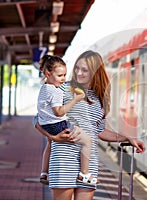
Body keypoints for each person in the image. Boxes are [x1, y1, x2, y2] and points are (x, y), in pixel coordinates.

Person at [34, 50, 145, 200]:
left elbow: (99, 131)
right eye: (77, 68)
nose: (79, 73)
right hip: (63, 159)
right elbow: (38, 119)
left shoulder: (100, 99)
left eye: (84, 70)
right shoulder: (62, 89)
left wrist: (127, 138)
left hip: (88, 163)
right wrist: (53, 136)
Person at [37, 55, 96, 186]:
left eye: (65, 75)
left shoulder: (44, 88)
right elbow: (58, 112)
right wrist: (75, 100)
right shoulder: (56, 91)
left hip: (46, 124)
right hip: (58, 125)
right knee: (87, 141)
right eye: (60, 75)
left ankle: (44, 172)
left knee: (49, 144)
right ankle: (84, 174)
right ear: (48, 74)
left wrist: (52, 136)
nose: (64, 79)